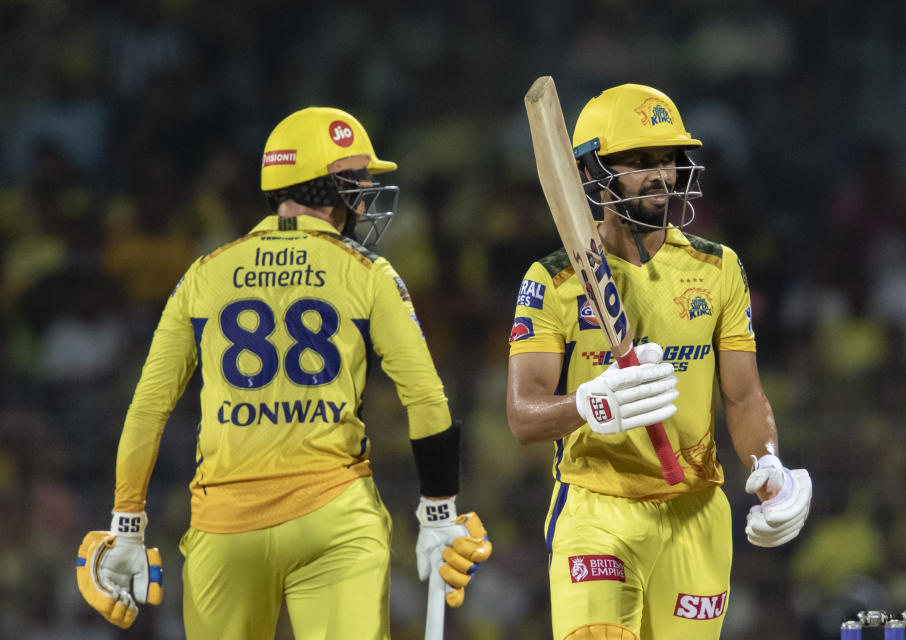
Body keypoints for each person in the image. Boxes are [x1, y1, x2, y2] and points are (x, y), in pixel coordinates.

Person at [76, 107, 491, 639]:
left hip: (225, 527)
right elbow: (427, 398)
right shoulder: (368, 271)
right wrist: (439, 512)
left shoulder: (203, 274)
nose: (365, 191)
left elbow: (148, 409)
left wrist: (126, 525)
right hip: (335, 516)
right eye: (355, 179)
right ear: (323, 186)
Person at [506, 84, 812, 640]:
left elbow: (744, 397)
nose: (662, 175)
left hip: (694, 513)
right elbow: (523, 415)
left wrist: (768, 465)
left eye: (669, 159)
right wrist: (588, 403)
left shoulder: (717, 269)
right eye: (641, 161)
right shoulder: (551, 280)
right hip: (597, 509)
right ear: (594, 171)